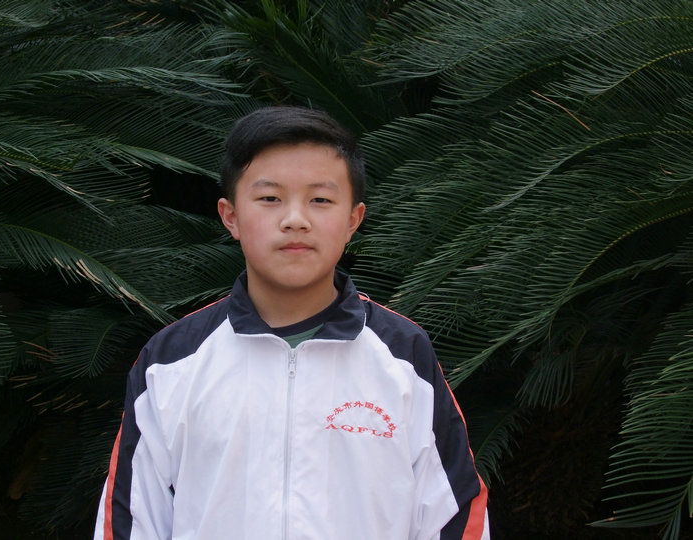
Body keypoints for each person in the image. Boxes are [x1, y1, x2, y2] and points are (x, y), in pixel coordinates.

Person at [94, 106, 489, 539]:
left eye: (320, 200)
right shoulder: (171, 361)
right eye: (270, 199)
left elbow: (455, 517)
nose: (295, 220)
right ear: (230, 216)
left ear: (353, 220)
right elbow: (131, 520)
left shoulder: (403, 355)